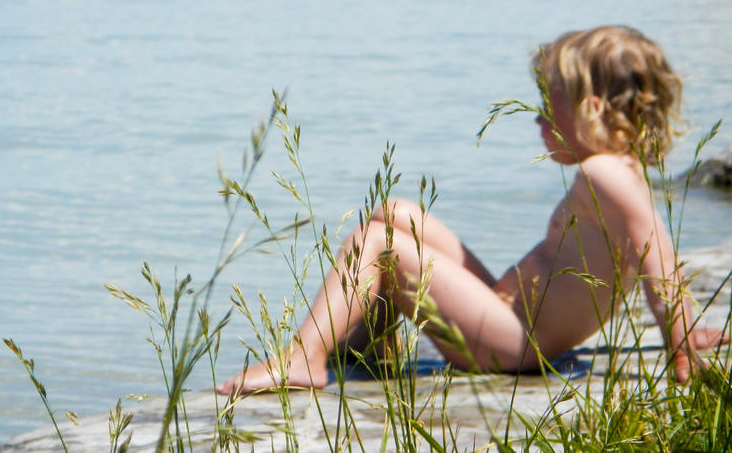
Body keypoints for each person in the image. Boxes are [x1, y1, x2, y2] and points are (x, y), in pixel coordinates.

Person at [219, 25, 728, 395]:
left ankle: (305, 356)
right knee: (396, 212)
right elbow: (657, 250)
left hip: (513, 346)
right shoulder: (618, 169)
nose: (537, 124)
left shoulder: (606, 175)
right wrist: (685, 325)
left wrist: (679, 343)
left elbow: (655, 252)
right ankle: (366, 348)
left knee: (378, 245)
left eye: (547, 109)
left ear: (592, 110)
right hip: (505, 321)